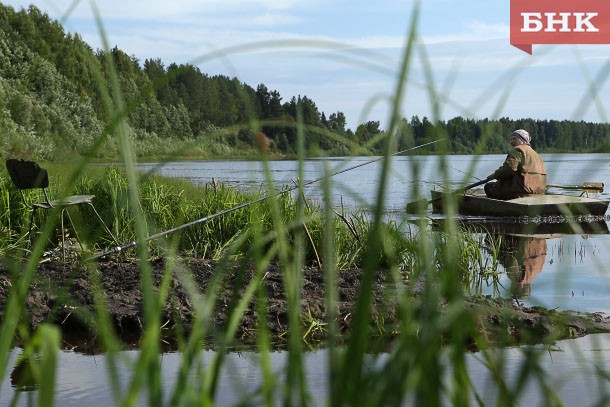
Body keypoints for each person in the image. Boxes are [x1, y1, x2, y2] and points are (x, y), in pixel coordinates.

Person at [484, 129, 547, 200]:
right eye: (511, 139)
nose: (511, 142)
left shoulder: (518, 150)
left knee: (488, 186)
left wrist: (494, 175)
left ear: (522, 139)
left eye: (514, 139)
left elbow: (509, 169)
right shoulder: (537, 154)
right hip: (539, 192)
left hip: (520, 191)